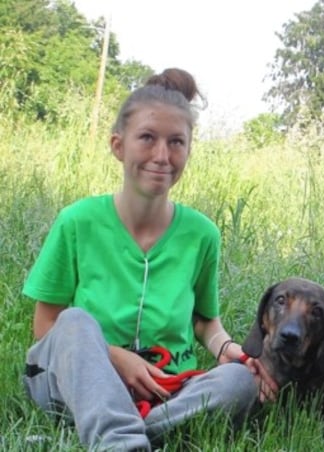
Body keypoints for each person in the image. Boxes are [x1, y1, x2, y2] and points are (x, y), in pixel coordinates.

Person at [21, 68, 277, 451]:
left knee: (238, 381)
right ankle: (122, 442)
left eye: (176, 142)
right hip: (77, 380)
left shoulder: (202, 234)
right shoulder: (77, 222)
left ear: (189, 150)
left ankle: (130, 431)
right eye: (147, 138)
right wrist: (116, 358)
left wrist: (231, 352)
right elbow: (47, 326)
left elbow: (205, 322)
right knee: (75, 320)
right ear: (118, 145)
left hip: (165, 387)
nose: (162, 155)